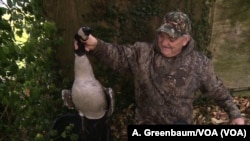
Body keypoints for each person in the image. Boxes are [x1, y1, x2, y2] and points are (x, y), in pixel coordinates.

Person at [74, 11, 245, 125]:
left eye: (171, 38)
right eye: (162, 36)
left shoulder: (199, 64)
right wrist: (95, 45)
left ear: (185, 40)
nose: (164, 42)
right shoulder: (142, 53)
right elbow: (117, 55)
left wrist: (235, 114)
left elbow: (217, 90)